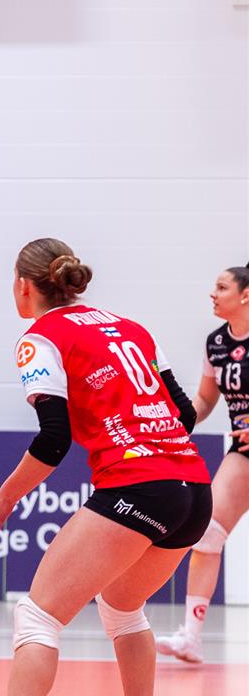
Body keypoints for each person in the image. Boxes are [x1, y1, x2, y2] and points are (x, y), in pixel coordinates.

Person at [0, 238, 211, 696]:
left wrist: (5, 497)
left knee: (37, 618)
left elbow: (53, 440)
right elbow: (184, 415)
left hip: (137, 485)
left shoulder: (40, 338)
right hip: (193, 490)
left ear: (24, 286)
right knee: (123, 608)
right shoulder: (132, 327)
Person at [155, 264, 249, 665]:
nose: (213, 293)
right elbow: (207, 398)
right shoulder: (216, 342)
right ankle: (191, 638)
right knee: (208, 534)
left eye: (222, 287)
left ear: (245, 295)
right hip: (243, 451)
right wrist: (176, 424)